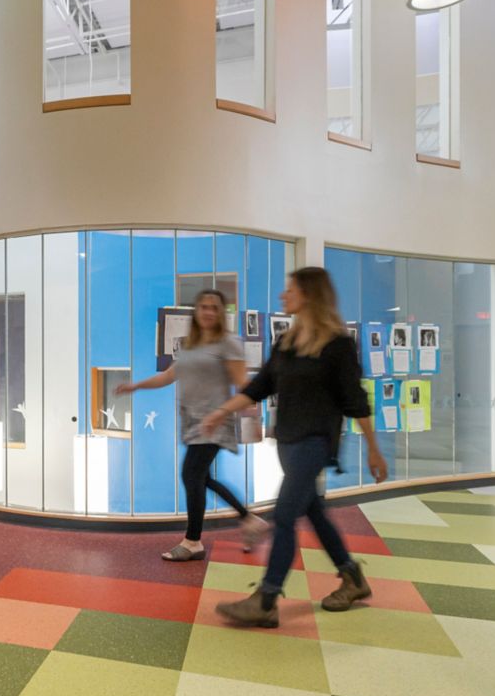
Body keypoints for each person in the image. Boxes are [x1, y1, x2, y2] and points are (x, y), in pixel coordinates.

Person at [201, 267, 388, 626]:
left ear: (310, 295)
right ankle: (352, 578)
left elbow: (355, 401)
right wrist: (222, 411)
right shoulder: (286, 342)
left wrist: (374, 450)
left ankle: (267, 600)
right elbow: (260, 387)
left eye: (290, 290)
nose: (282, 296)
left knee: (285, 515)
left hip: (315, 442)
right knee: (314, 511)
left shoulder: (337, 345)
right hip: (287, 442)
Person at [117, 289, 264, 561]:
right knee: (201, 478)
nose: (208, 311)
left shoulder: (229, 343)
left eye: (214, 307)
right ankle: (249, 520)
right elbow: (169, 376)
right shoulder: (190, 345)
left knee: (191, 475)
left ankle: (193, 541)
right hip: (191, 421)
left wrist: (255, 418)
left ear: (221, 313)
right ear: (196, 311)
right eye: (204, 306)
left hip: (214, 421)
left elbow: (244, 385)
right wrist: (136, 386)